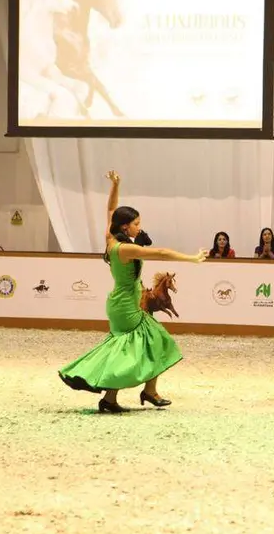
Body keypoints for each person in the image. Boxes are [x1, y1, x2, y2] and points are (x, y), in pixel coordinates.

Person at [58, 170, 208, 413]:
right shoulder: (124, 248)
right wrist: (192, 258)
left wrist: (116, 185)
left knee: (131, 346)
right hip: (126, 304)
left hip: (122, 301)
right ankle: (147, 392)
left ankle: (113, 398)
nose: (140, 228)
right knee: (154, 340)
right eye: (137, 224)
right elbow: (160, 253)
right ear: (126, 226)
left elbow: (110, 210)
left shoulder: (111, 238)